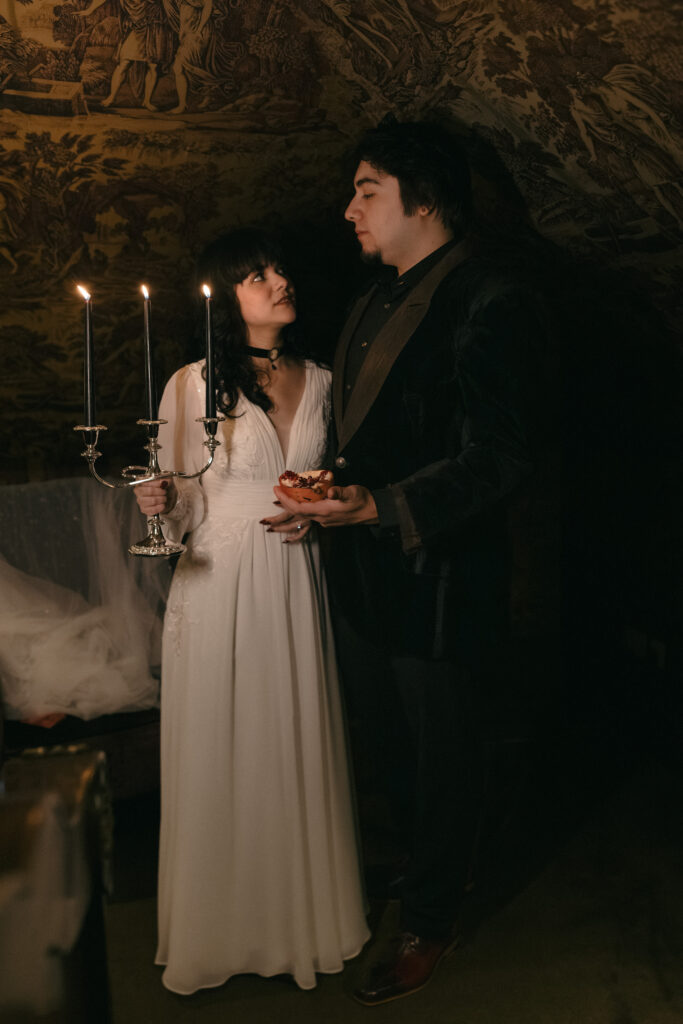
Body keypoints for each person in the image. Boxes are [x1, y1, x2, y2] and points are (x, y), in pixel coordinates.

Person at [267, 120, 543, 1005]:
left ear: (422, 199)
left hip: (441, 574)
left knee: (444, 754)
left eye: (366, 191)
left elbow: (503, 455)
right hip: (360, 568)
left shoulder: (491, 297)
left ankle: (430, 920)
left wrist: (384, 505)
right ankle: (411, 872)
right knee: (383, 744)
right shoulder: (368, 297)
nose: (348, 208)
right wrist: (328, 493)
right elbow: (367, 434)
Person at [133, 228, 369, 994]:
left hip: (294, 574)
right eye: (256, 275)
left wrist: (322, 510)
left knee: (289, 732)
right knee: (221, 741)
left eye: (279, 267)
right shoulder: (191, 385)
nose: (278, 280)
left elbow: (330, 479)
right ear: (224, 299)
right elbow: (180, 503)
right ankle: (219, 931)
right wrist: (160, 498)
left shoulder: (328, 380)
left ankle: (302, 921)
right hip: (219, 575)